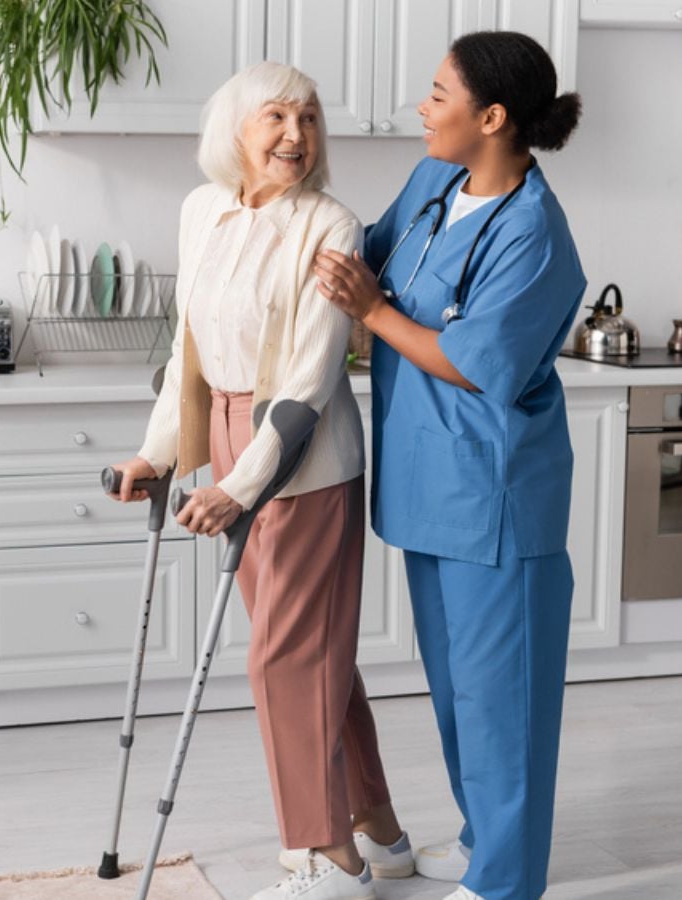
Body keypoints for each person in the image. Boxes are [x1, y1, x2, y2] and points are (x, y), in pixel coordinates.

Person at [109, 61, 410, 900]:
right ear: (234, 132)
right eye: (275, 116)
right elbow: (189, 352)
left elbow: (312, 380)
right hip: (230, 430)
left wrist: (238, 487)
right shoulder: (201, 211)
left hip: (301, 456)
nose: (295, 135)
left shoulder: (332, 226)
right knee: (315, 658)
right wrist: (160, 453)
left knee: (285, 658)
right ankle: (377, 831)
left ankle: (324, 857)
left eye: (309, 118)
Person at [311, 31, 587, 900]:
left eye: (438, 94)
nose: (422, 110)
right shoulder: (435, 182)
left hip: (496, 496)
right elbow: (372, 260)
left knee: (505, 703)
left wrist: (374, 314)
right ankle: (480, 843)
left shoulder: (536, 233)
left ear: (492, 117)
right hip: (428, 486)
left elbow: (475, 360)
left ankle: (506, 883)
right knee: (459, 694)